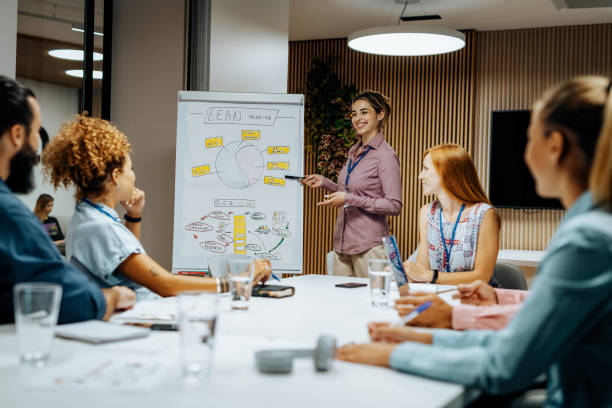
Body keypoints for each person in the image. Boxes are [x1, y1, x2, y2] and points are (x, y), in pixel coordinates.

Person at [337, 76, 612, 407]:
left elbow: (504, 365)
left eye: (528, 139)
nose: (524, 154)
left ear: (555, 146)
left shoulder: (585, 241)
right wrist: (420, 336)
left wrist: (394, 354)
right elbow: (518, 338)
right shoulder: (594, 226)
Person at [43, 115, 270, 299]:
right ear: (115, 176)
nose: (133, 175)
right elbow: (164, 284)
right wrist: (238, 282)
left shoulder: (90, 216)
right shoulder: (100, 227)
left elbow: (125, 265)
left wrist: (133, 217)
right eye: (130, 169)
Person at [0, 75, 135, 324]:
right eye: (37, 133)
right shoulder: (9, 214)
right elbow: (68, 298)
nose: (37, 147)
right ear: (17, 134)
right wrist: (113, 297)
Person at [302, 91, 402, 277]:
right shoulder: (354, 151)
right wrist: (326, 183)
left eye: (364, 112)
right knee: (340, 305)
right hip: (342, 244)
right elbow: (350, 192)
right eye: (354, 114)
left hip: (369, 246)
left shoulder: (385, 156)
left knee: (372, 303)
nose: (357, 118)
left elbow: (394, 205)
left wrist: (349, 198)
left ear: (380, 115)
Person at [402, 144, 500, 287]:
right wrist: (406, 274)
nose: (420, 176)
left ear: (446, 172)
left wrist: (428, 276)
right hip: (438, 297)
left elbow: (482, 277)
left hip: (476, 300)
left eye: (426, 169)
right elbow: (422, 270)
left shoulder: (484, 214)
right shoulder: (427, 213)